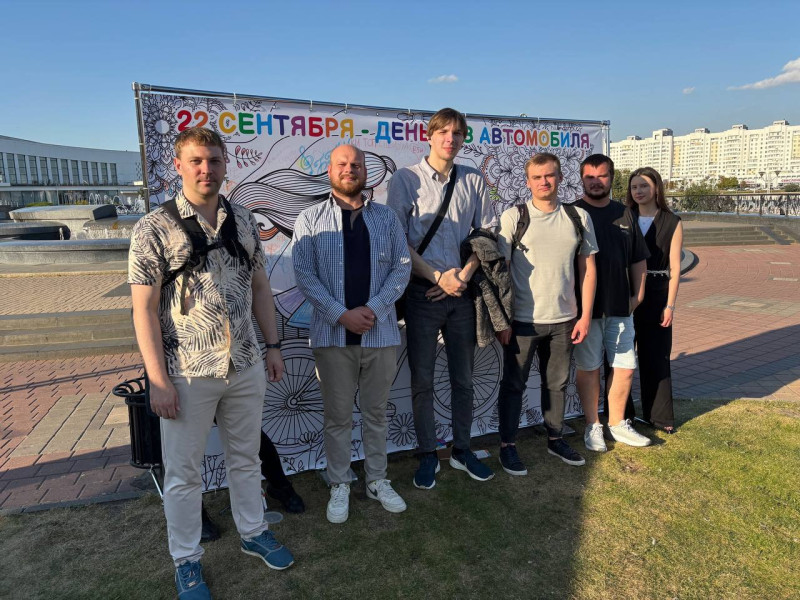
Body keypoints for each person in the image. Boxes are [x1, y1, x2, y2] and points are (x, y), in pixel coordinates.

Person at [129, 127, 294, 600]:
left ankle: (254, 531)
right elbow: (143, 310)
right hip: (186, 371)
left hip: (244, 364)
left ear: (226, 164)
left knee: (246, 458)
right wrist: (158, 380)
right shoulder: (152, 228)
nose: (207, 169)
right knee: (184, 474)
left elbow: (260, 287)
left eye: (215, 160)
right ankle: (186, 560)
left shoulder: (242, 219)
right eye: (197, 161)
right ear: (178, 166)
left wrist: (273, 345)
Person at [292, 145, 411, 523]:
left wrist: (373, 309)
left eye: (356, 164)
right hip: (332, 337)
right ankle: (340, 482)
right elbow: (304, 275)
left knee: (376, 414)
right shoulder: (310, 219)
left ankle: (377, 479)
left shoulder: (386, 218)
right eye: (342, 164)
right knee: (338, 417)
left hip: (380, 334)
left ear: (365, 172)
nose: (350, 169)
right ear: (330, 170)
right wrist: (341, 315)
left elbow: (402, 267)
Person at [387, 108, 497, 489]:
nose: (451, 139)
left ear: (464, 138)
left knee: (463, 379)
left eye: (458, 133)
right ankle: (427, 455)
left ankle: (463, 450)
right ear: (429, 136)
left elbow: (487, 236)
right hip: (422, 295)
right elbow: (396, 240)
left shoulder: (473, 179)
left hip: (462, 294)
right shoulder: (405, 179)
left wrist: (461, 277)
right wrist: (437, 277)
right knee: (422, 380)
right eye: (444, 132)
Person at [496, 153, 598, 473]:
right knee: (513, 385)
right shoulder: (514, 217)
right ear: (527, 182)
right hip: (523, 322)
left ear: (560, 178)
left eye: (550, 175)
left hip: (565, 320)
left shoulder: (578, 217)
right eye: (537, 177)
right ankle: (507, 446)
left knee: (557, 384)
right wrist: (502, 320)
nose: (544, 182)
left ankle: (555, 438)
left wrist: (584, 316)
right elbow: (501, 273)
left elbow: (588, 269)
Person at [574, 154, 652, 451]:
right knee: (589, 368)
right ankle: (593, 425)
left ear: (612, 178)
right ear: (582, 179)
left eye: (602, 176)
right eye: (590, 177)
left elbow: (638, 259)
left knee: (625, 367)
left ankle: (618, 424)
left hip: (621, 307)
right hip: (586, 311)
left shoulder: (625, 214)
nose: (596, 182)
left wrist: (638, 295)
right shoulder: (571, 213)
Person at [626, 167, 683, 433]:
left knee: (656, 357)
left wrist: (670, 305)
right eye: (634, 187)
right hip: (626, 292)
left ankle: (659, 417)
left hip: (658, 293)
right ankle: (622, 414)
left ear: (656, 188)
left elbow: (675, 268)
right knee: (622, 357)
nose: (638, 191)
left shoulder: (672, 221)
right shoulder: (624, 217)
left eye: (644, 186)